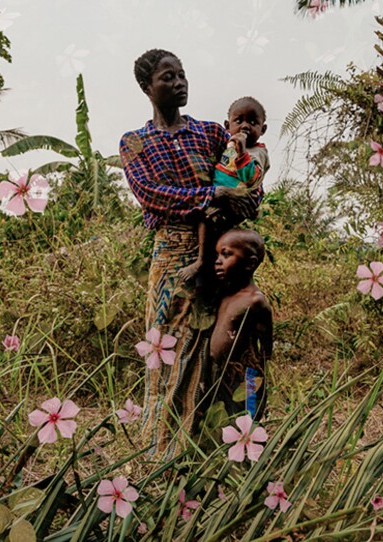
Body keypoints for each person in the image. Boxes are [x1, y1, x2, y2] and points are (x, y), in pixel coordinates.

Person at [120, 49, 262, 455]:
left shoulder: (212, 133)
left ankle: (231, 450)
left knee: (231, 344)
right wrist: (210, 195)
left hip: (225, 251)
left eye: (182, 75)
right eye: (168, 77)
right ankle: (164, 455)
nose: (179, 82)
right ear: (148, 88)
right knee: (171, 353)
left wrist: (236, 195)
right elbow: (151, 195)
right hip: (173, 257)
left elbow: (247, 181)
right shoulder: (135, 142)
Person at [177, 97, 270, 283]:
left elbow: (252, 178)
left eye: (253, 122)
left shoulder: (258, 152)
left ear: (263, 129)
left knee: (208, 219)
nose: (245, 126)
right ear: (227, 125)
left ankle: (201, 261)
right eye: (239, 121)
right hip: (219, 194)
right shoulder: (228, 146)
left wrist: (242, 153)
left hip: (237, 196)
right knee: (208, 220)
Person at [208, 229, 273, 420]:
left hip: (246, 376)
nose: (218, 261)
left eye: (226, 254)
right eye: (218, 254)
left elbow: (266, 347)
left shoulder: (255, 301)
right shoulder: (224, 292)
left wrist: (256, 380)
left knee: (247, 419)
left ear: (250, 263)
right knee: (224, 419)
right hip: (222, 374)